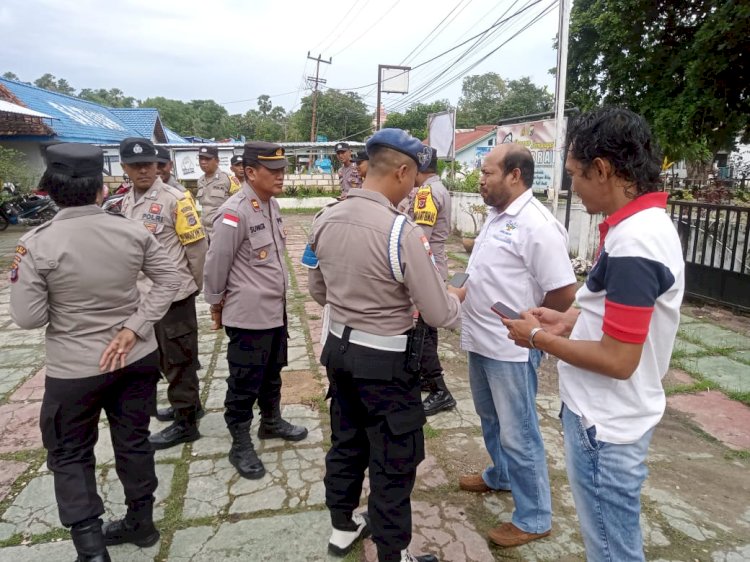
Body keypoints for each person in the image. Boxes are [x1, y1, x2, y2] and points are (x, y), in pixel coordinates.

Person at [502, 107, 685, 562]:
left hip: (605, 424)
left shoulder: (635, 243)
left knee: (610, 549)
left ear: (602, 170)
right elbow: (613, 313)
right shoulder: (634, 228)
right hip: (609, 417)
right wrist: (566, 321)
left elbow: (619, 359)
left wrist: (538, 339)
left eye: (575, 175)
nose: (571, 187)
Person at [9, 143, 181, 562]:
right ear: (101, 188)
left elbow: (28, 317)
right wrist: (133, 326)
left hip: (74, 369)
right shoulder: (131, 229)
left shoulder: (37, 244)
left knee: (69, 452)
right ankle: (142, 523)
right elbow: (170, 280)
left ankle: (90, 547)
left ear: (48, 189)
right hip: (135, 358)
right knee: (134, 441)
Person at [306, 128, 465, 562]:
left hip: (338, 352)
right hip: (386, 364)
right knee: (394, 461)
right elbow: (436, 313)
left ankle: (342, 526)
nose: (415, 188)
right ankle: (393, 554)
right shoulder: (402, 233)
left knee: (346, 442)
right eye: (413, 178)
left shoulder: (324, 217)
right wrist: (456, 298)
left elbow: (317, 289)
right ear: (401, 170)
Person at [459, 143, 577, 547]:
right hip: (481, 339)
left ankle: (534, 516)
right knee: (491, 420)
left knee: (520, 433)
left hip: (510, 349)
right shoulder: (498, 215)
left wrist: (536, 330)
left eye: (487, 172)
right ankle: (501, 476)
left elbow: (562, 291)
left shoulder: (536, 224)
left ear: (514, 175)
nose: (480, 179)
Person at [204, 141, 308, 481]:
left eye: (283, 169)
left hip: (273, 311)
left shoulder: (270, 204)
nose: (281, 175)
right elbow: (216, 263)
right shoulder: (234, 213)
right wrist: (216, 304)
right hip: (247, 315)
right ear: (250, 172)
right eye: (273, 170)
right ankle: (239, 441)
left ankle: (271, 421)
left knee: (273, 371)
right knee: (244, 380)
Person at [119, 137, 208, 450]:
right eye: (136, 165)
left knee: (180, 358)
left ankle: (186, 423)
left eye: (149, 164)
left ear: (158, 166)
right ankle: (187, 405)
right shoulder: (125, 201)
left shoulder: (175, 198)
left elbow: (197, 249)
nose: (144, 171)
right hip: (145, 296)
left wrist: (194, 287)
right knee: (163, 358)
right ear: (124, 168)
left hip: (174, 296)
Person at [402, 147, 456, 416]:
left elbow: (419, 237)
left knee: (421, 329)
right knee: (428, 325)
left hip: (427, 266)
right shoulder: (438, 188)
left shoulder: (426, 193)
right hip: (436, 264)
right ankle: (427, 377)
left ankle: (439, 389)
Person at [196, 145, 232, 239]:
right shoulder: (200, 181)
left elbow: (239, 207)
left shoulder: (228, 179)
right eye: (201, 159)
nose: (203, 162)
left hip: (222, 231)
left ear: (217, 161)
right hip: (204, 232)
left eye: (207, 159)